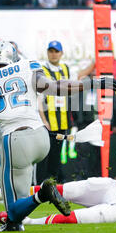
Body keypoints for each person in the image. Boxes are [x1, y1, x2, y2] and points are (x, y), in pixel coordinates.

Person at [0, 40, 116, 231]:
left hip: (15, 141)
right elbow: (55, 87)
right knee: (18, 207)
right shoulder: (27, 66)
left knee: (12, 209)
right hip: (41, 136)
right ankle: (13, 219)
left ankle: (42, 194)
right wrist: (94, 83)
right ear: (12, 56)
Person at [36, 40, 72, 184]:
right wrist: (43, 120)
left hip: (62, 119)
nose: (54, 54)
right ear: (47, 53)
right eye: (51, 51)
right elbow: (39, 97)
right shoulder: (41, 71)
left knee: (57, 155)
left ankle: (53, 184)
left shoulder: (66, 68)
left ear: (61, 53)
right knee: (44, 155)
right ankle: (39, 184)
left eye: (56, 51)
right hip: (48, 120)